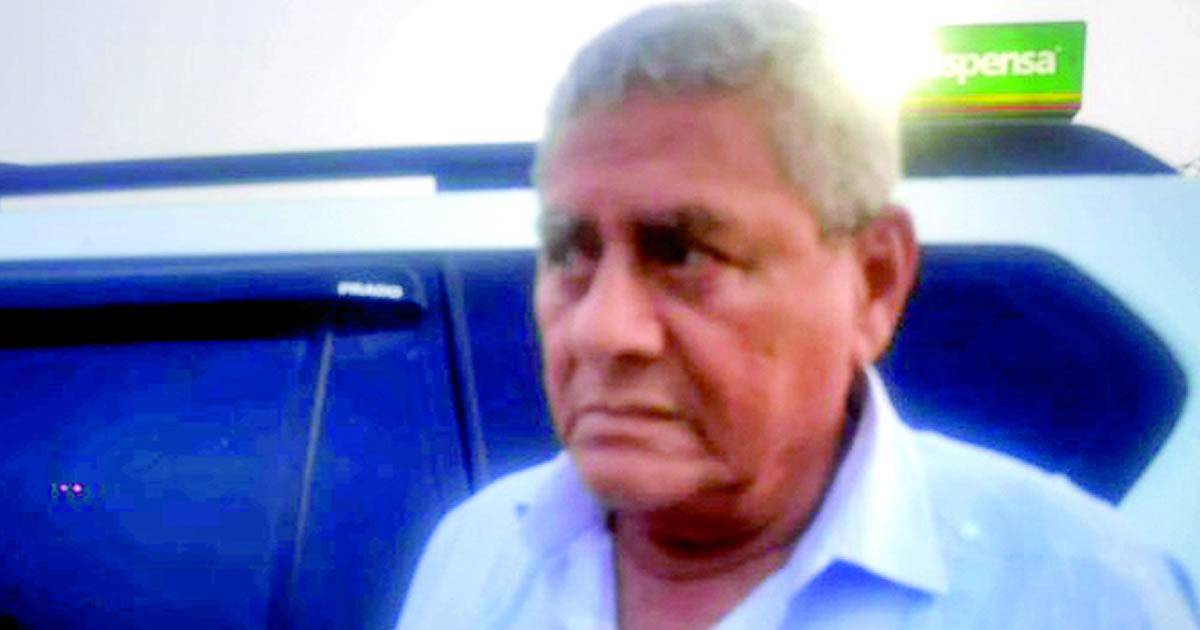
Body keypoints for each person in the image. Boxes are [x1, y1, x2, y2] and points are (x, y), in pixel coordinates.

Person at [397, 1, 1198, 628]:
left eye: (684, 254)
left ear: (874, 282)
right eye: (570, 251)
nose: (602, 330)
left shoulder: (1082, 593)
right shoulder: (478, 553)